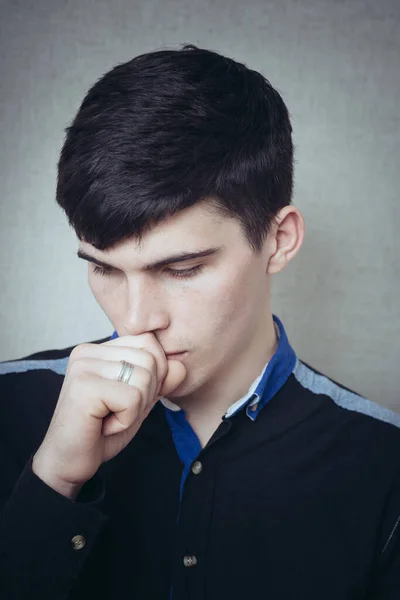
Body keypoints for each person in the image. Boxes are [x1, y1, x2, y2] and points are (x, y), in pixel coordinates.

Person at [0, 44, 399, 600]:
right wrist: (54, 482)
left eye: (181, 269)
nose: (135, 320)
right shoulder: (6, 407)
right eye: (104, 269)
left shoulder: (384, 464)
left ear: (278, 241)